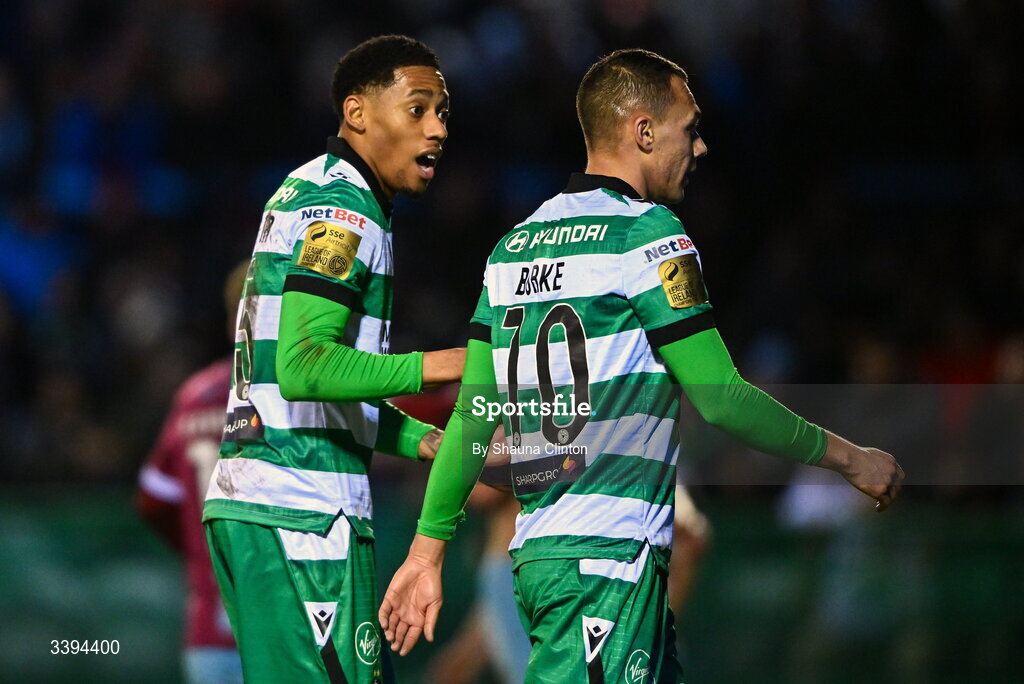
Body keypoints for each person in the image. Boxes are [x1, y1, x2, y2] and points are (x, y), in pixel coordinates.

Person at [379, 48, 905, 683]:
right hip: (606, 561)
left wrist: (426, 550)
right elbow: (720, 398)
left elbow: (471, 415)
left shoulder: (511, 249)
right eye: (691, 127)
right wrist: (851, 458)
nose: (702, 147)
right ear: (645, 132)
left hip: (548, 556)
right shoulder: (649, 236)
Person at [201, 35, 465, 684]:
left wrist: (426, 441)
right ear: (358, 113)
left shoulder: (317, 191)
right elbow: (306, 366)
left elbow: (315, 396)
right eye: (417, 109)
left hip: (272, 504)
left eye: (443, 112)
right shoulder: (344, 208)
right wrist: (449, 362)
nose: (437, 128)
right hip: (301, 514)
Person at [137, 263, 247, 684]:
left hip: (208, 630)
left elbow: (152, 499)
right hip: (286, 627)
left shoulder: (194, 396)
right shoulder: (296, 393)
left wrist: (202, 550)